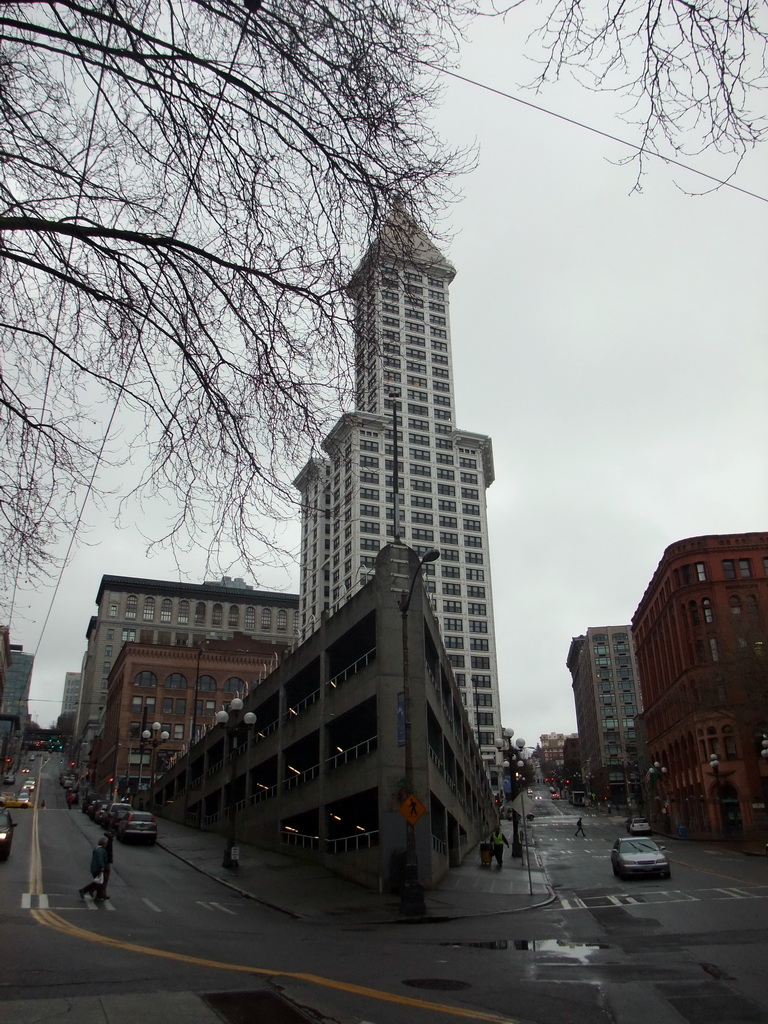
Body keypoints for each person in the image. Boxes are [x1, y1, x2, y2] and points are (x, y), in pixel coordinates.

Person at [101, 831, 115, 899]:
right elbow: (107, 853)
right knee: (105, 879)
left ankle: (101, 893)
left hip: (105, 862)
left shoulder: (106, 839)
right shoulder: (108, 841)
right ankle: (102, 893)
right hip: (106, 862)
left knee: (102, 879)